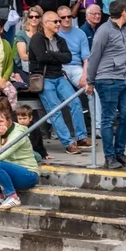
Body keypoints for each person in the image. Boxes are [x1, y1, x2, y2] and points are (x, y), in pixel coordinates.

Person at [87, 0, 126, 169]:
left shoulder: (124, 30)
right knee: (108, 119)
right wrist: (90, 80)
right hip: (107, 79)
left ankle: (119, 152)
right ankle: (109, 156)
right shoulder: (104, 30)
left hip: (125, 80)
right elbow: (94, 56)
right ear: (123, 12)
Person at [31, 11, 88, 154]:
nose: (59, 23)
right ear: (45, 23)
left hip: (59, 76)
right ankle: (68, 143)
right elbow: (41, 57)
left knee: (75, 102)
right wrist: (56, 56)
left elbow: (68, 57)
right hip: (44, 78)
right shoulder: (37, 39)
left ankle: (81, 137)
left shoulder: (60, 40)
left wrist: (50, 54)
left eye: (58, 21)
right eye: (55, 21)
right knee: (55, 110)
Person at [0, 104, 40, 211]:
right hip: (11, 173)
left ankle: (13, 197)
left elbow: (0, 156)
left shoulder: (18, 134)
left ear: (8, 120)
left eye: (1, 121)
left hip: (28, 175)